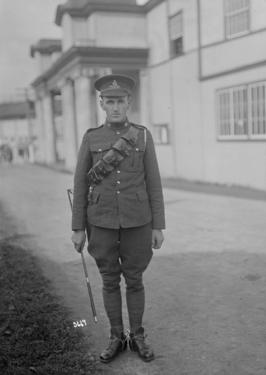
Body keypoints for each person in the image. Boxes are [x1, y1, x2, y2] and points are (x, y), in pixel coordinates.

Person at [71, 74, 165, 363]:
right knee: (109, 281)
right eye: (109, 101)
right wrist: (77, 228)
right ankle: (115, 337)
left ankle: (137, 335)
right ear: (101, 103)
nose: (115, 107)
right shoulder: (91, 137)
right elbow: (79, 185)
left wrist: (158, 225)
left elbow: (154, 183)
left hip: (138, 222)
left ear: (128, 103)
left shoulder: (143, 135)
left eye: (120, 101)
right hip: (102, 223)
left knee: (134, 280)